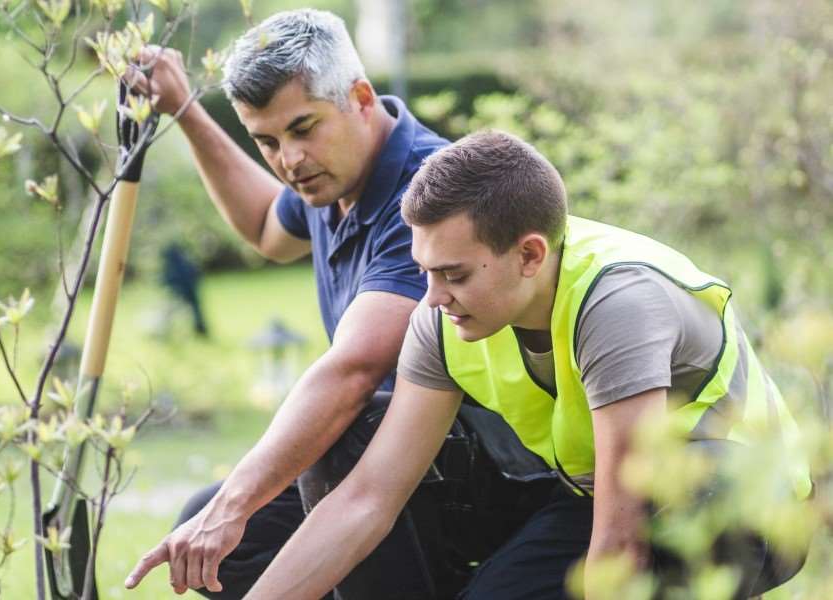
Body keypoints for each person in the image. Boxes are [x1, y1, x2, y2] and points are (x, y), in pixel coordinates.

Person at [239, 130, 813, 600]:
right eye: (425, 271)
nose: (433, 296)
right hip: (596, 497)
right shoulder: (442, 319)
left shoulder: (617, 303)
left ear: (530, 254)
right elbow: (368, 497)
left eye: (455, 273)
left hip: (745, 500)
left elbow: (620, 540)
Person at [124, 10, 554, 600]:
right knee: (233, 538)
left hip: (499, 475)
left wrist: (235, 502)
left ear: (359, 96)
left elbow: (353, 373)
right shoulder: (332, 181)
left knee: (344, 434)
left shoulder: (428, 200)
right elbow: (262, 225)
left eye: (303, 128)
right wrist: (184, 110)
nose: (289, 159)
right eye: (267, 141)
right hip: (411, 467)